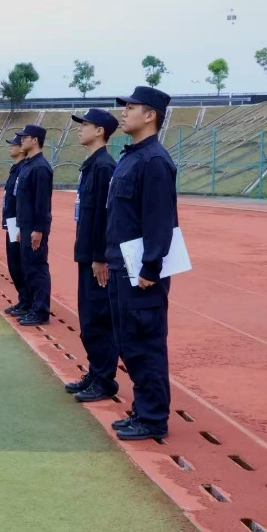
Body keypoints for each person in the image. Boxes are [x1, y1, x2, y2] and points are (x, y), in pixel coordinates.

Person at [106, 87, 178, 441]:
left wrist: (151, 266)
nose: (124, 112)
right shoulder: (132, 157)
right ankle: (143, 409)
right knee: (130, 342)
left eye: (131, 107)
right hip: (123, 264)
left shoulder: (154, 161)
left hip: (141, 272)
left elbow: (160, 219)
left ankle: (152, 417)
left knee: (146, 343)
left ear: (150, 115)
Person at [67, 109, 121, 403]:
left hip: (96, 257)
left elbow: (105, 216)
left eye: (85, 125)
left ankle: (104, 379)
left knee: (98, 318)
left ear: (100, 131)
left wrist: (101, 257)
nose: (80, 129)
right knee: (88, 318)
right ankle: (95, 371)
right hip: (86, 252)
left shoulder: (104, 167)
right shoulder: (92, 165)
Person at [13, 125, 54, 326]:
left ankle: (40, 311)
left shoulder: (40, 168)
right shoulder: (28, 165)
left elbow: (42, 203)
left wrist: (38, 229)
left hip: (35, 227)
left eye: (25, 137)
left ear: (35, 140)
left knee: (37, 268)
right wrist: (22, 227)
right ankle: (31, 306)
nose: (21, 140)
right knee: (28, 267)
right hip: (26, 226)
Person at [2, 136, 29, 316]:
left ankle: (27, 301)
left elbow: (22, 199)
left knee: (20, 264)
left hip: (18, 222)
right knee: (13, 264)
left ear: (21, 149)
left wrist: (19, 223)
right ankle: (23, 300)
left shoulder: (23, 169)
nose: (10, 148)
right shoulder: (15, 169)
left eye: (13, 145)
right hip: (12, 221)